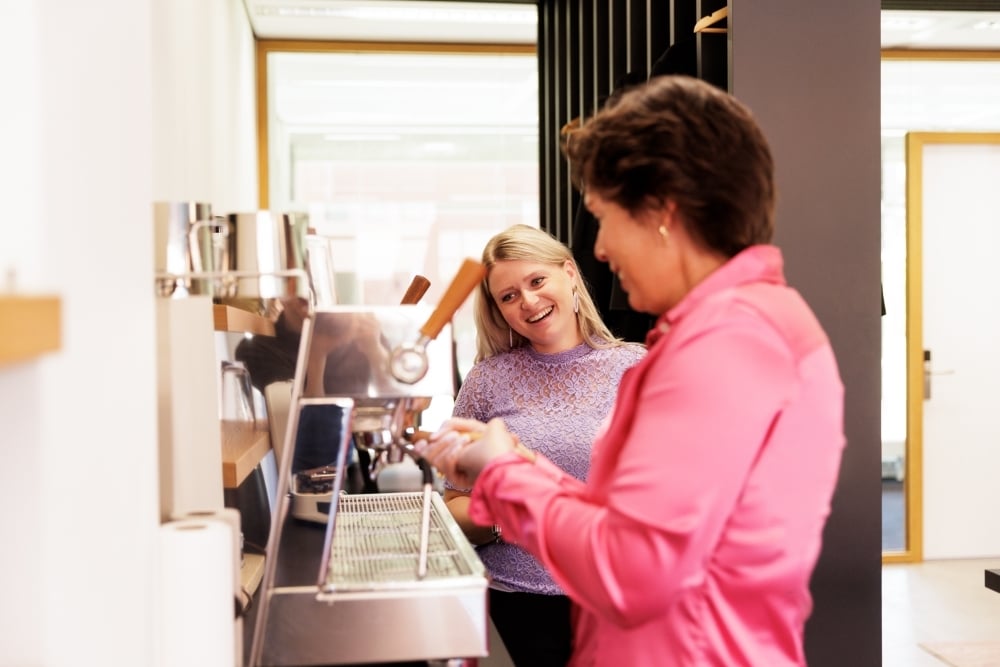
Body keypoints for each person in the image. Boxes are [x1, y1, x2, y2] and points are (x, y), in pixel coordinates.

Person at [416, 76, 846, 666]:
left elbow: (632, 571)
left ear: (661, 213)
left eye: (604, 217)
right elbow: (633, 525)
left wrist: (501, 478)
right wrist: (511, 465)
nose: (600, 249)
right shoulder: (739, 327)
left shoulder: (726, 345)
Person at [442, 224, 645, 667]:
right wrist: (506, 514)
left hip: (614, 596)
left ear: (569, 274)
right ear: (498, 311)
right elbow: (452, 505)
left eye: (537, 281)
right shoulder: (487, 381)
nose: (528, 302)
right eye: (509, 296)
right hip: (516, 605)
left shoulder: (635, 368)